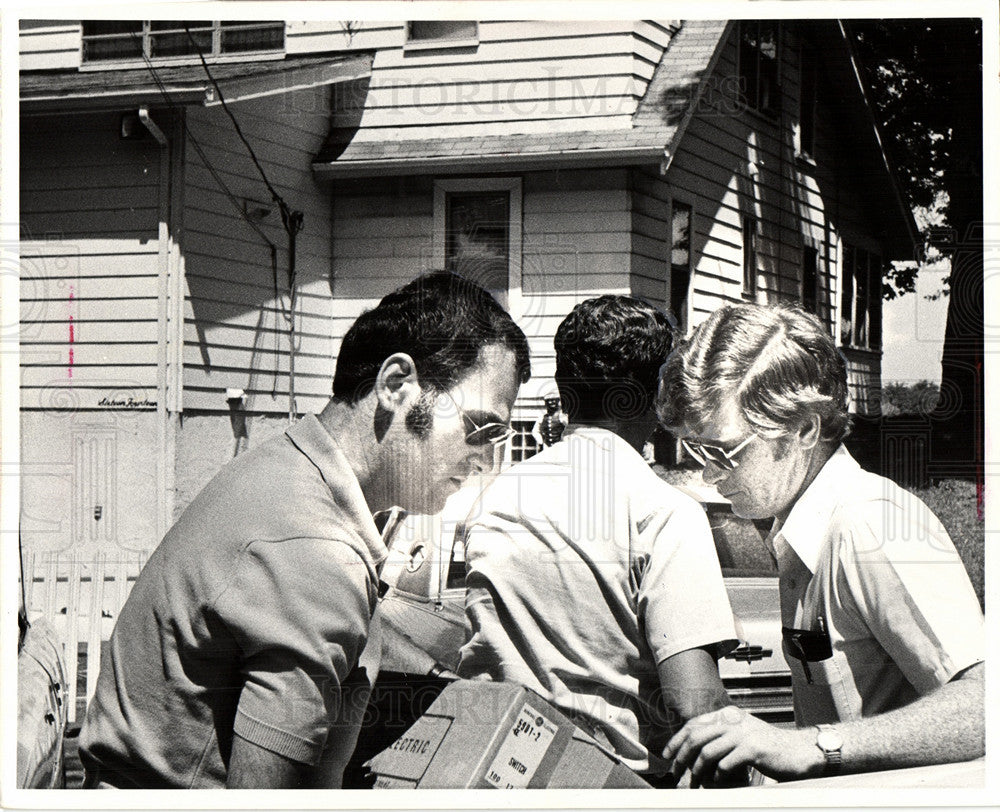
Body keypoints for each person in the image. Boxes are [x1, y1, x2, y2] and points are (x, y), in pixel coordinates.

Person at [79, 271, 531, 788]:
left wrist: (435, 678)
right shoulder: (317, 551)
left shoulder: (288, 470)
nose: (487, 458)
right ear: (396, 386)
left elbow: (356, 626)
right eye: (483, 427)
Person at [656, 302, 984, 786]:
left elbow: (984, 705)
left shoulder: (869, 524)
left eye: (723, 452)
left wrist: (809, 745)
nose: (708, 474)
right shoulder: (801, 526)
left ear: (805, 430)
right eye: (697, 451)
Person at [457, 295, 739, 785]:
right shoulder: (663, 512)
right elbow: (699, 708)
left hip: (492, 768)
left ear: (564, 396)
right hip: (614, 783)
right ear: (657, 398)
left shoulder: (494, 498)